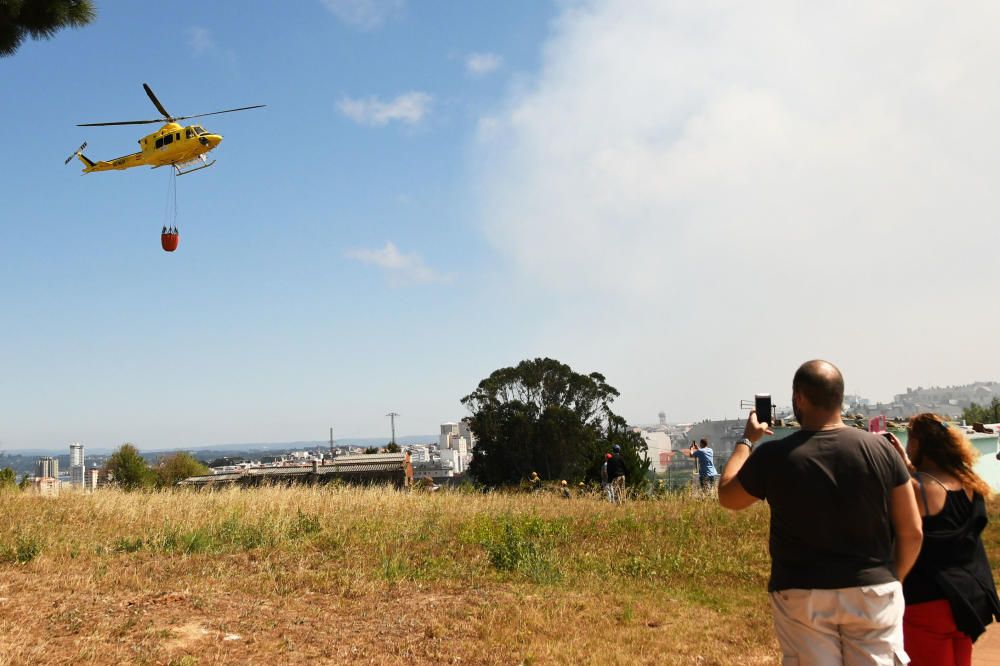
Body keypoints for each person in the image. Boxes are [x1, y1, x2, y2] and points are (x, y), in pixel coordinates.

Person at [718, 359, 923, 664]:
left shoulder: (775, 457)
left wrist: (747, 441)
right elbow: (912, 530)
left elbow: (728, 496)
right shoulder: (881, 450)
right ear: (839, 397)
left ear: (798, 397)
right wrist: (894, 579)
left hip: (803, 593)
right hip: (873, 587)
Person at [887, 413, 1000, 665]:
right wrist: (909, 466)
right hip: (966, 602)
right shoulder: (969, 484)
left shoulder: (914, 488)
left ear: (916, 444)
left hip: (927, 601)